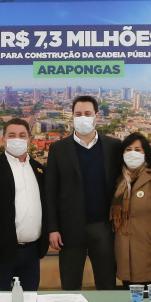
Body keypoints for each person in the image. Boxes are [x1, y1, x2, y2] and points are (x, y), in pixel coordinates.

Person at [44, 96, 123, 290]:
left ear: (96, 116)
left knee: (107, 283)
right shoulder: (58, 149)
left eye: (87, 113)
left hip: (103, 227)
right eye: (78, 114)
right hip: (69, 229)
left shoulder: (113, 146)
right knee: (70, 285)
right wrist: (52, 228)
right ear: (72, 116)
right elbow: (50, 191)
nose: (83, 117)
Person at [0, 118, 48, 291]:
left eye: (22, 135)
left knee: (29, 301)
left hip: (32, 251)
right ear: (3, 140)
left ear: (29, 139)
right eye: (12, 135)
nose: (17, 139)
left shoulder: (38, 169)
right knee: (0, 301)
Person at [111, 133, 151, 286]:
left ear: (146, 153)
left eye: (137, 149)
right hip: (125, 255)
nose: (132, 153)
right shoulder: (118, 180)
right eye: (128, 149)